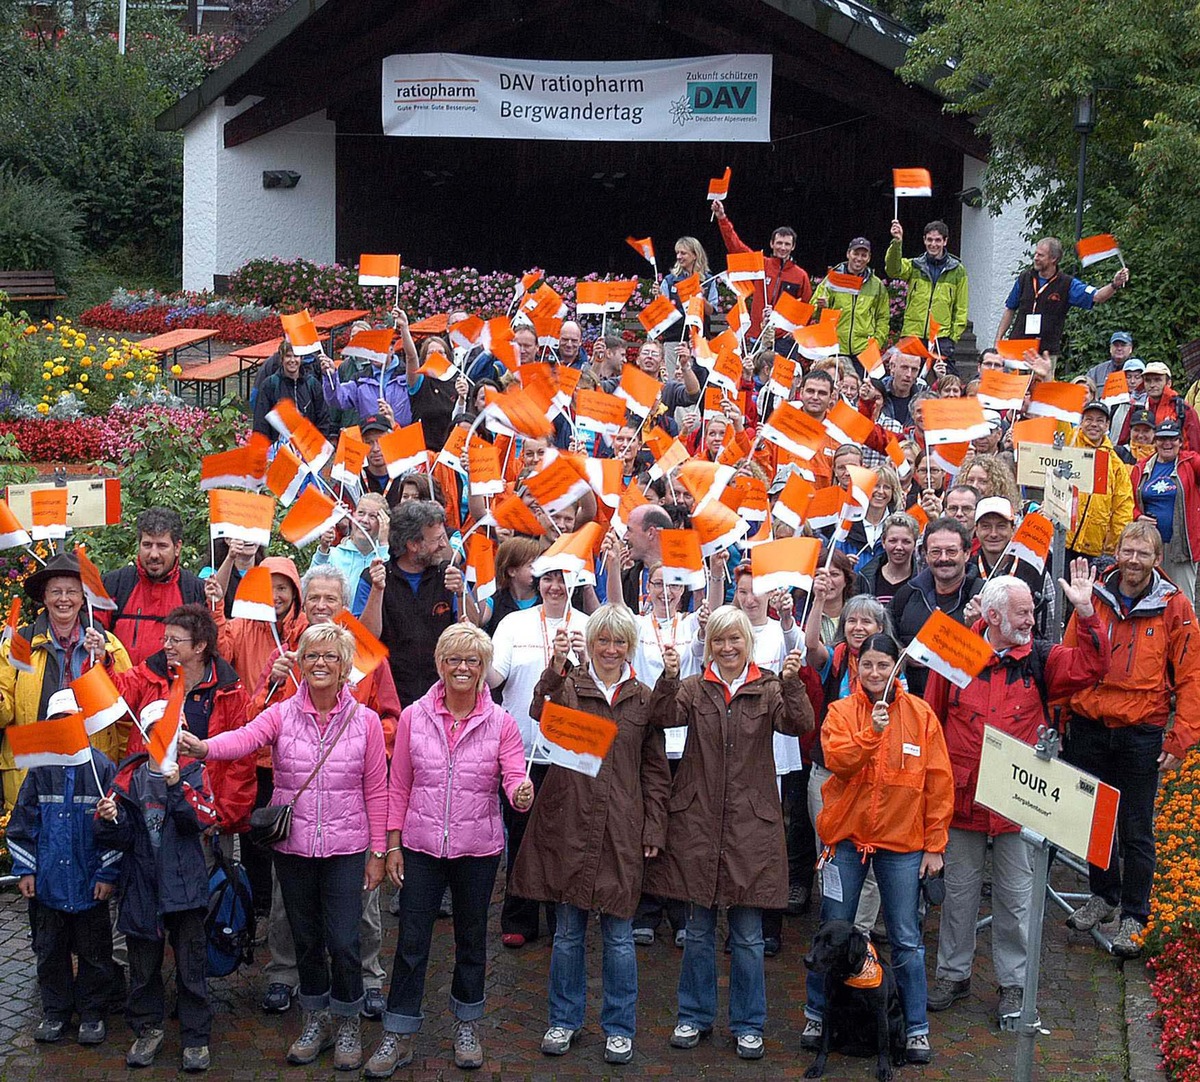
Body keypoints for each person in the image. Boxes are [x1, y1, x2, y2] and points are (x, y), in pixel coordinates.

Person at [179, 623, 388, 1071]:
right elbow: (245, 738)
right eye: (311, 655)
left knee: (345, 941)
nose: (320, 664)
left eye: (330, 656)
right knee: (307, 939)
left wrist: (377, 852)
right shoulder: (282, 713)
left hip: (347, 848)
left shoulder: (366, 722)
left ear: (345, 665)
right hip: (293, 848)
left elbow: (377, 789)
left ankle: (347, 1021)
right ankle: (316, 1020)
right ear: (300, 661)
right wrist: (204, 748)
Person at [924, 567, 1109, 1025]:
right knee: (960, 895)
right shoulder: (955, 655)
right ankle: (953, 973)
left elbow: (1093, 666)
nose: (1031, 619)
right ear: (991, 615)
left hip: (1017, 803)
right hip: (964, 801)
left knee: (1016, 899)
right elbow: (929, 720)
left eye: (1030, 611)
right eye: (1022, 613)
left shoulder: (1040, 660)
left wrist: (1086, 612)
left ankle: (1014, 985)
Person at [359, 626, 533, 1078]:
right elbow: (398, 786)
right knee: (412, 942)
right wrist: (392, 844)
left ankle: (468, 1024)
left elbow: (513, 772)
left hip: (478, 849)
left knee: (472, 941)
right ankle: (398, 1032)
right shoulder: (416, 716)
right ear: (440, 664)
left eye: (472, 661)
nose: (462, 668)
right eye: (454, 660)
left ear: (483, 670)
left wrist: (520, 790)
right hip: (420, 845)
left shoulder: (501, 723)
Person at [648, 606, 816, 1061]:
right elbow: (662, 718)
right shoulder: (693, 687)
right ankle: (694, 1016)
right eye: (718, 640)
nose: (726, 648)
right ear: (709, 645)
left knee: (747, 934)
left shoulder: (768, 688)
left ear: (748, 643)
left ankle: (748, 1023)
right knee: (699, 931)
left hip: (750, 825)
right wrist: (666, 676)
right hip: (699, 821)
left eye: (734, 640)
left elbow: (800, 726)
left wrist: (794, 682)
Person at [511, 605, 670, 1065]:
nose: (611, 649)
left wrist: (653, 826)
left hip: (621, 826)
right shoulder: (570, 686)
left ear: (629, 647)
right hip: (570, 824)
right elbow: (539, 711)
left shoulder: (643, 699)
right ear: (591, 642)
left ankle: (619, 1028)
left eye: (620, 642)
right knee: (567, 933)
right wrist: (553, 668)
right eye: (604, 640)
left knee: (619, 936)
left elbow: (655, 772)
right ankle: (564, 1020)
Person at [253, 565, 402, 1019]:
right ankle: (285, 973)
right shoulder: (289, 654)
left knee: (360, 899)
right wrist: (273, 683)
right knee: (288, 899)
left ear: (344, 607)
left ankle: (369, 977)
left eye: (330, 600)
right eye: (313, 598)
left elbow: (390, 717)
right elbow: (252, 719)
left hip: (349, 795)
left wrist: (369, 743)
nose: (320, 606)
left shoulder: (370, 655)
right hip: (292, 794)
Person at [801, 632, 952, 1067]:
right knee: (832, 929)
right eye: (866, 664)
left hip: (902, 844)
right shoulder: (840, 712)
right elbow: (839, 759)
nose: (874, 672)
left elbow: (939, 783)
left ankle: (916, 1028)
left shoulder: (922, 716)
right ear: (855, 666)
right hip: (846, 840)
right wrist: (872, 733)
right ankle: (816, 1016)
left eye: (883, 664)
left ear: (896, 667)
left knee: (906, 937)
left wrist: (935, 844)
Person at [1061, 520, 1200, 957]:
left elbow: (1192, 678)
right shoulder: (1093, 596)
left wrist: (1180, 739)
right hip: (1089, 725)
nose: (1134, 561)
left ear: (1157, 560)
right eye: (1128, 551)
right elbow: (1068, 655)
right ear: (1116, 552)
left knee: (1136, 828)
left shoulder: (1174, 607)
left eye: (1143, 554)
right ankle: (1103, 896)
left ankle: (1134, 917)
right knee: (1094, 820)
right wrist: (1062, 711)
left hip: (1140, 731)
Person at [95, 736, 218, 1071]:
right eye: (154, 730)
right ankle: (148, 1029)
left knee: (191, 967)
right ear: (144, 734)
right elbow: (115, 840)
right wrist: (109, 819)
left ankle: (195, 1038)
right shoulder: (126, 779)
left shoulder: (192, 771)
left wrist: (178, 787)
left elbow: (202, 819)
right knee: (143, 968)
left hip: (184, 884)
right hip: (140, 885)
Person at [8, 689, 120, 1048]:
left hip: (88, 885)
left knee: (95, 954)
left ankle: (91, 1013)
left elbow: (114, 832)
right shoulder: (39, 771)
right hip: (49, 886)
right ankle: (55, 1012)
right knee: (50, 952)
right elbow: (23, 823)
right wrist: (26, 871)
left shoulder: (101, 768)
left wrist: (106, 875)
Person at [486, 568, 589, 948]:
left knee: (564, 836)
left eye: (563, 580)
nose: (555, 587)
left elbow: (601, 682)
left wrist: (582, 655)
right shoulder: (515, 623)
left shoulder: (587, 624)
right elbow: (495, 679)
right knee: (522, 834)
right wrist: (476, 648)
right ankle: (518, 917)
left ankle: (561, 918)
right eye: (548, 579)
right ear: (538, 582)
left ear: (575, 583)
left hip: (572, 752)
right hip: (523, 749)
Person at [0, 552, 132, 808]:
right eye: (55, 592)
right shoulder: (17, 646)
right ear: (44, 597)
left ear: (83, 597)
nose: (63, 599)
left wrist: (125, 771)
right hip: (34, 770)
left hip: (93, 770)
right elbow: (4, 714)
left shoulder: (109, 645)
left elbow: (127, 713)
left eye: (71, 592)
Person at [117, 605, 255, 847]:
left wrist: (220, 816)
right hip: (150, 806)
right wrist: (102, 660)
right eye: (165, 638)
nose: (166, 645)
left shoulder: (229, 690)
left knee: (202, 882)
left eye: (175, 640)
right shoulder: (151, 672)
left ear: (200, 646)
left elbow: (241, 761)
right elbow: (115, 696)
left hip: (202, 817)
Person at [360, 500, 461, 708]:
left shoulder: (448, 574)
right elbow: (365, 639)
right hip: (389, 699)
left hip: (442, 697)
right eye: (437, 539)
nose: (444, 545)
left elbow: (470, 629)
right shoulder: (372, 578)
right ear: (413, 545)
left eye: (444, 537)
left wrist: (461, 594)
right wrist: (378, 590)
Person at [890, 517, 984, 695]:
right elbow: (887, 638)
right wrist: (902, 654)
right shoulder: (908, 593)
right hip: (914, 703)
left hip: (961, 704)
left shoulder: (982, 596)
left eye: (951, 551)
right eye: (935, 552)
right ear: (925, 554)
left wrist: (980, 627)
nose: (943, 558)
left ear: (966, 553)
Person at [102, 507, 206, 666]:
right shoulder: (115, 584)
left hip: (175, 688)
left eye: (162, 546)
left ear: (177, 548)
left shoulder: (194, 591)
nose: (154, 554)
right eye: (147, 545)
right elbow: (93, 633)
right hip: (120, 687)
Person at [994, 237, 1129, 357]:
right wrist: (998, 340)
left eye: (1040, 255)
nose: (1035, 257)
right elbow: (1009, 309)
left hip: (1046, 353)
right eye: (1035, 253)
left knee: (1043, 386)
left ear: (1054, 259)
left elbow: (1098, 296)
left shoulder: (1067, 284)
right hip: (1017, 347)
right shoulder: (1025, 278)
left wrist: (1114, 284)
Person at [712, 201, 812, 337]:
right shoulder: (761, 265)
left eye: (787, 244)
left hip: (783, 339)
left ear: (793, 247)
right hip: (756, 334)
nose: (783, 248)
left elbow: (806, 308)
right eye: (779, 243)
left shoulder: (800, 276)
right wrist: (722, 217)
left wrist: (795, 333)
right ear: (772, 244)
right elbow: (735, 246)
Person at [1129, 420, 1200, 601]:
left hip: (1181, 548)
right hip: (1148, 546)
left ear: (1180, 441)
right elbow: (1128, 502)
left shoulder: (1190, 463)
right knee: (1148, 598)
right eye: (1162, 439)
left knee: (1182, 600)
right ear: (1155, 441)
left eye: (1172, 439)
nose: (1167, 443)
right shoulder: (1140, 468)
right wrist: (1138, 517)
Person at [971, 497, 1056, 638]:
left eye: (1001, 526)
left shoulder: (1036, 571)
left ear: (1013, 529)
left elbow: (1049, 629)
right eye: (986, 526)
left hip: (1025, 655)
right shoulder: (967, 570)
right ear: (976, 530)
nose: (993, 534)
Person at [885, 220, 969, 362]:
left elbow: (961, 307)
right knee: (908, 377)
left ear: (945, 241)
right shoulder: (914, 265)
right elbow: (893, 269)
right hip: (913, 334)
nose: (933, 244)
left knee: (943, 380)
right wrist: (897, 242)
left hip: (940, 337)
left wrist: (952, 338)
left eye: (937, 240)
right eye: (929, 240)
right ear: (924, 240)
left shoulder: (957, 270)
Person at [1066, 401, 1135, 562]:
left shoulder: (1115, 464)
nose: (1094, 425)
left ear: (1107, 425)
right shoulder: (1069, 447)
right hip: (1062, 539)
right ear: (1081, 422)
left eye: (1099, 420)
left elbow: (1122, 508)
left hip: (1094, 546)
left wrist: (1118, 544)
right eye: (1089, 419)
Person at [809, 237, 890, 370]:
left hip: (863, 350)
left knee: (860, 388)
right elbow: (813, 311)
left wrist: (876, 342)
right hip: (836, 347)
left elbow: (883, 318)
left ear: (869, 258)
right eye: (856, 253)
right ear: (848, 254)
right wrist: (821, 306)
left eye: (864, 255)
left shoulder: (877, 285)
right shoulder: (832, 279)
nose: (859, 258)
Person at [321, 310, 411, 427]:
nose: (374, 351)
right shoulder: (360, 379)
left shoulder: (407, 375)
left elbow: (412, 357)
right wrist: (330, 377)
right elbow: (337, 399)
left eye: (380, 346)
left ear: (391, 348)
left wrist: (404, 327)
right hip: (371, 439)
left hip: (403, 439)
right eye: (371, 347)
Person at [312, 494, 390, 613]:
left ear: (383, 524)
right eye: (361, 513)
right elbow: (310, 585)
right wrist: (323, 548)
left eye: (373, 516)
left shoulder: (386, 556)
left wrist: (384, 544)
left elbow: (390, 588)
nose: (364, 520)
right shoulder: (334, 554)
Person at [252, 337, 334, 440]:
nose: (292, 360)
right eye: (288, 356)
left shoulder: (312, 384)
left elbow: (323, 418)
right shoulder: (269, 385)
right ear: (282, 359)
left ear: (301, 358)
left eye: (296, 356)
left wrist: (320, 444)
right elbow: (260, 422)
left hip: (308, 449)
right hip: (279, 450)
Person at [1118, 361, 1200, 452]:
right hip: (1139, 463)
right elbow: (1123, 442)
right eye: (1148, 380)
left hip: (1177, 464)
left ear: (1168, 383)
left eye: (1157, 380)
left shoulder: (1183, 409)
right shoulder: (1137, 407)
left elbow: (1195, 448)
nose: (1152, 385)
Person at [859, 512, 921, 607]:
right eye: (893, 541)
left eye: (906, 541)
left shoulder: (923, 581)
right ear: (883, 542)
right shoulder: (865, 578)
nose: (899, 547)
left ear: (915, 544)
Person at [661, 236, 719, 325]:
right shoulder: (669, 281)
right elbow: (663, 312)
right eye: (677, 253)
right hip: (674, 335)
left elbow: (711, 311)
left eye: (683, 253)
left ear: (695, 255)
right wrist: (659, 296)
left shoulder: (709, 281)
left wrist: (700, 297)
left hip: (700, 334)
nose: (678, 257)